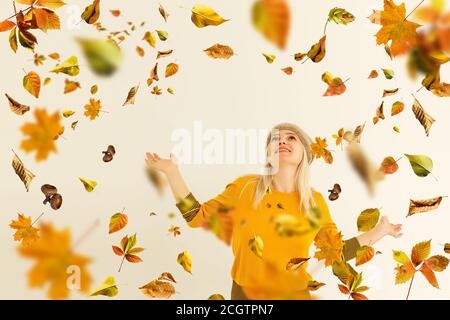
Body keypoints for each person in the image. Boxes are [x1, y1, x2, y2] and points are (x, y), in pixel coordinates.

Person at [146, 122, 402, 299]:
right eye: (276, 139)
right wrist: (172, 172)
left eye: (292, 138)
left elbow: (335, 253)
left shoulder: (314, 202)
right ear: (267, 153)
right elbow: (196, 217)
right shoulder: (245, 187)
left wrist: (380, 230)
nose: (282, 141)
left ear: (305, 153)